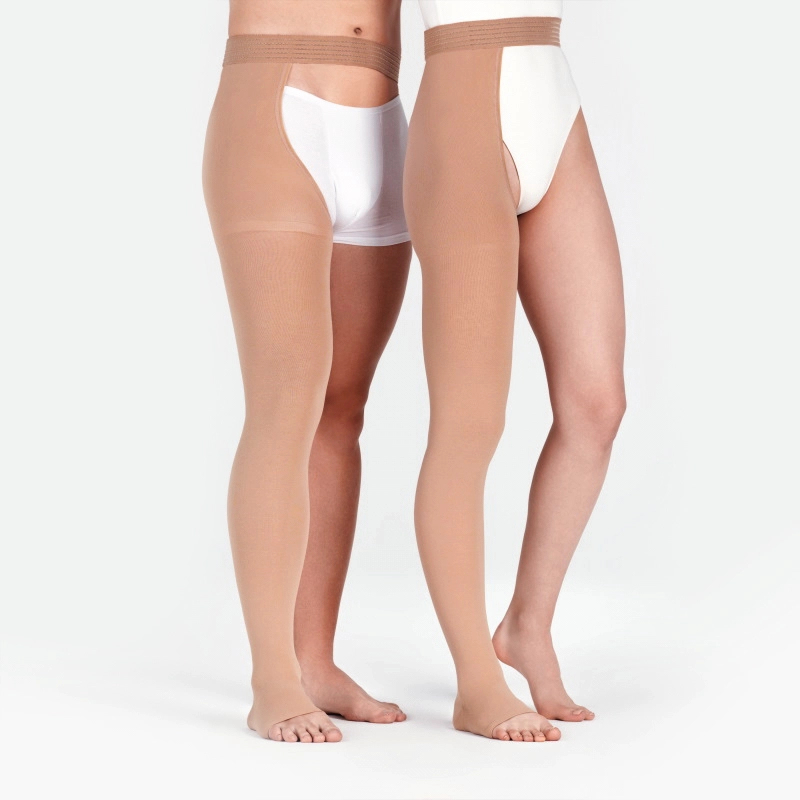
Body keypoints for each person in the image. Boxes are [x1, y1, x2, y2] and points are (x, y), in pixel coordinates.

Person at [404, 0, 626, 742]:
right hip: (464, 106)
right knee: (469, 424)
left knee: (596, 404)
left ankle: (528, 625)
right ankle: (476, 681)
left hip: (553, 94)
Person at [203, 0, 411, 743]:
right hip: (278, 105)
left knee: (342, 406)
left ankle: (314, 661)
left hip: (383, 122)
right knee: (285, 399)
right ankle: (272, 678)